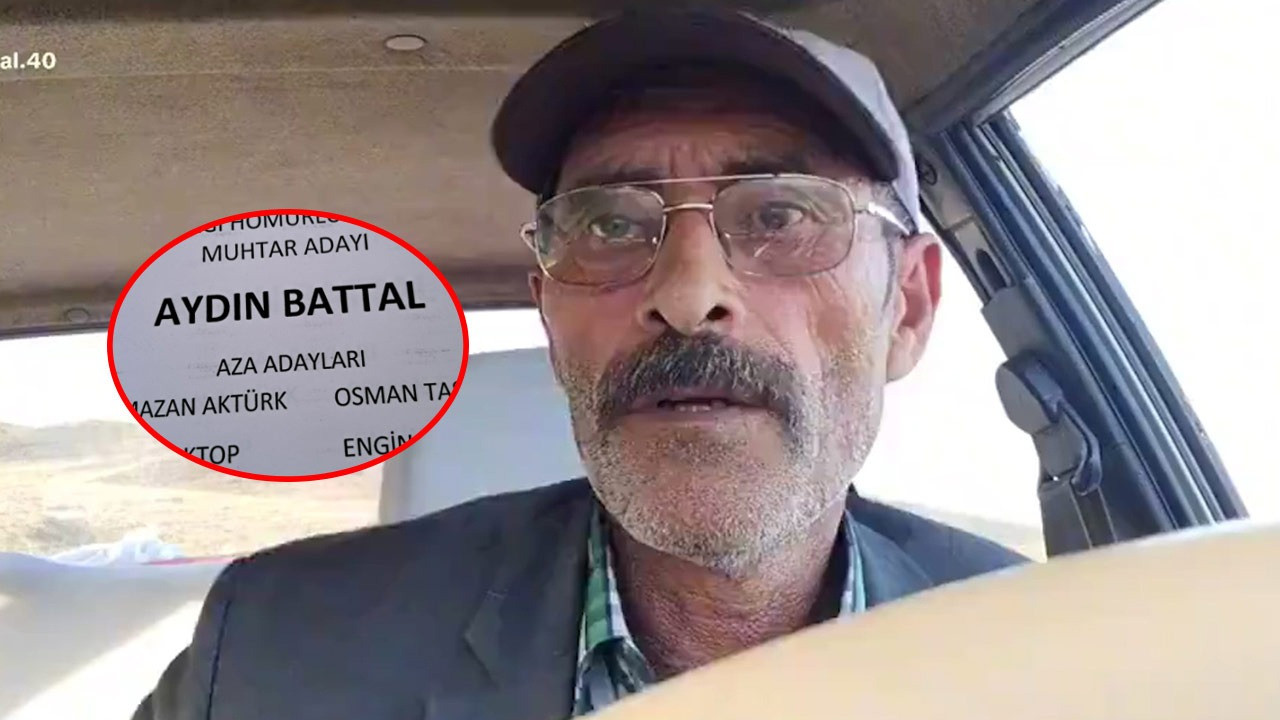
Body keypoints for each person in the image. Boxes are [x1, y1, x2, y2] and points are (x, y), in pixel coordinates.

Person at [134, 7, 1025, 720]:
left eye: (780, 216)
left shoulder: (1061, 654)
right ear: (551, 318)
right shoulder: (272, 655)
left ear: (908, 308)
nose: (688, 295)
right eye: (611, 224)